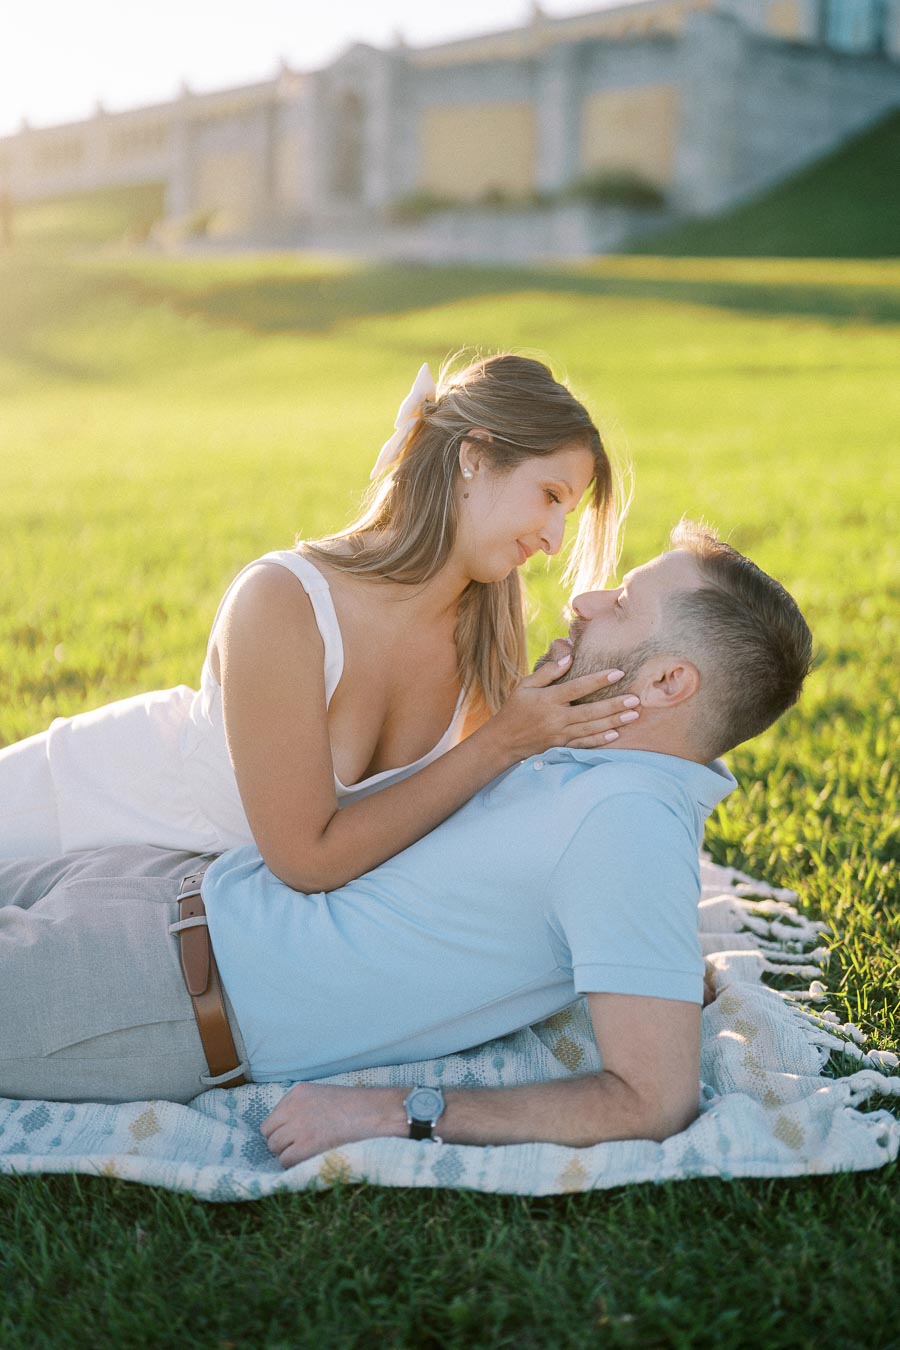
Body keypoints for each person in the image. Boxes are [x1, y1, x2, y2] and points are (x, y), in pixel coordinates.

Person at [0, 521, 813, 1162]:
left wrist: (396, 1112)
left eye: (624, 605)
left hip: (148, 996)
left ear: (670, 683)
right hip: (163, 884)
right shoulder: (595, 766)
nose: (588, 598)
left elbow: (651, 1099)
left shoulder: (628, 825)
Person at [0, 353, 636, 890]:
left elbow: (471, 823)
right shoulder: (282, 600)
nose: (555, 539)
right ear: (474, 455)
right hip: (73, 813)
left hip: (170, 893)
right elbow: (307, 859)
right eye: (550, 496)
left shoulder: (486, 633)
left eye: (568, 513)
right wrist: (503, 742)